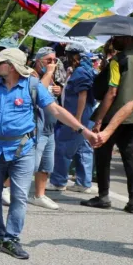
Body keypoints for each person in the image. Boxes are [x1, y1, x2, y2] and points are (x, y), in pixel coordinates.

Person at [0, 48, 98, 259]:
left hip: (23, 150)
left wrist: (84, 131)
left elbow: (56, 111)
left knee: (19, 197)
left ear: (10, 67)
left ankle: (11, 239)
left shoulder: (33, 87)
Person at [83, 35, 133, 213]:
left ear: (128, 38)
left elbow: (112, 92)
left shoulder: (118, 60)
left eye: (117, 36)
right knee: (131, 156)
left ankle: (104, 196)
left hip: (114, 113)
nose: (114, 40)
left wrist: (99, 118)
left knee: (102, 153)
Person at [49, 47, 97, 195]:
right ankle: (83, 182)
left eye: (68, 55)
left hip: (76, 115)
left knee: (63, 146)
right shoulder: (84, 70)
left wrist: (76, 119)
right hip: (85, 116)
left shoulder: (81, 72)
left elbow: (82, 95)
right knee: (83, 149)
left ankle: (58, 181)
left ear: (74, 56)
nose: (66, 57)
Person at [27, 47, 62, 210]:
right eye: (48, 60)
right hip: (36, 128)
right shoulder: (30, 75)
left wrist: (58, 90)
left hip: (50, 128)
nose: (52, 64)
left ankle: (39, 195)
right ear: (38, 60)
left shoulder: (50, 77)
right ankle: (6, 189)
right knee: (30, 164)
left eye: (54, 60)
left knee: (46, 166)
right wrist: (49, 73)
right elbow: (37, 92)